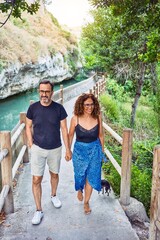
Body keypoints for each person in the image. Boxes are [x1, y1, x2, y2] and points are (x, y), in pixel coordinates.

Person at [26, 80, 72, 225]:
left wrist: (68, 149)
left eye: (47, 91)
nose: (44, 94)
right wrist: (31, 144)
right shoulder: (32, 108)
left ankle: (53, 195)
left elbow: (64, 129)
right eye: (41, 91)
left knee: (54, 174)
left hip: (55, 148)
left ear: (52, 92)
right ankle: (38, 210)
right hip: (38, 149)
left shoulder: (59, 109)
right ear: (39, 91)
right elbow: (28, 126)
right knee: (36, 179)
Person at [68, 93, 105, 215]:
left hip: (94, 149)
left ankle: (86, 202)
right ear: (81, 105)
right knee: (79, 175)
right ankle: (79, 189)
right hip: (79, 151)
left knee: (91, 176)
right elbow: (70, 135)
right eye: (87, 105)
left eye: (92, 104)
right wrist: (68, 150)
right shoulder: (75, 118)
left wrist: (102, 152)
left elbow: (100, 135)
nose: (90, 107)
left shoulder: (98, 116)